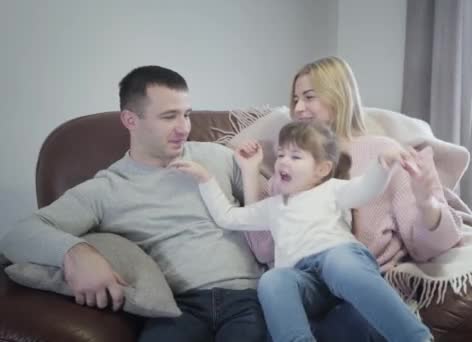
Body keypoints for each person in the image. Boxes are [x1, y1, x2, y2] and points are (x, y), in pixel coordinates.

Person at [0, 65, 389, 342]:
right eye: (169, 116)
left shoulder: (218, 157)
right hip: (178, 308)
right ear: (130, 120)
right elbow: (18, 234)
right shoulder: (107, 188)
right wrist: (77, 253)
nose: (184, 127)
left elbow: (285, 206)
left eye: (186, 114)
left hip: (249, 298)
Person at [171, 120, 432, 342]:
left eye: (295, 156)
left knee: (340, 263)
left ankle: (415, 337)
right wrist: (205, 179)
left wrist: (382, 164)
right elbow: (227, 217)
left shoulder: (331, 189)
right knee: (272, 280)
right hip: (305, 283)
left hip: (339, 262)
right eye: (281, 154)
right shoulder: (272, 207)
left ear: (322, 170)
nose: (284, 161)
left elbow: (367, 189)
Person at [246, 56, 463, 276]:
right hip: (301, 285)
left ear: (339, 96)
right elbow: (264, 250)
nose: (299, 108)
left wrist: (427, 203)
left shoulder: (384, 154)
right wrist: (249, 172)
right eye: (295, 100)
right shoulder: (288, 162)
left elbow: (429, 247)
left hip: (361, 282)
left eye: (309, 97)